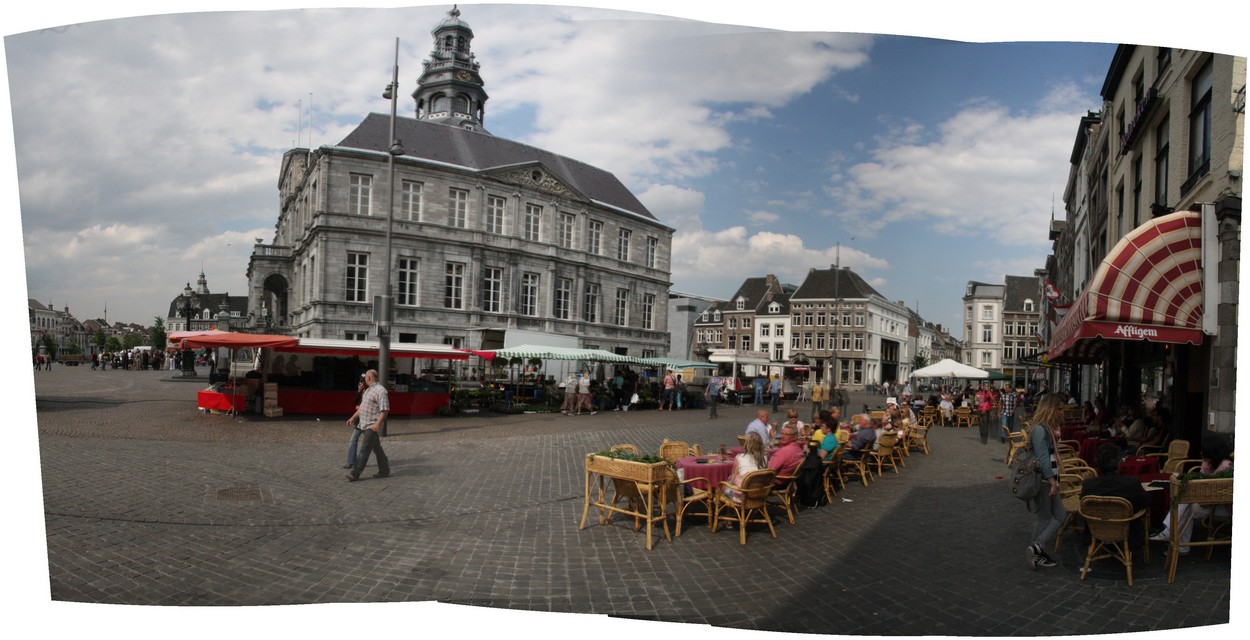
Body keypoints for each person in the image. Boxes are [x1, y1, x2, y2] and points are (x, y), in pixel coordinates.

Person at [1150, 432, 1234, 555]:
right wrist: (1204, 467)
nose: (1201, 454)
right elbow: (1201, 480)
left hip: (1222, 505)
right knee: (1186, 503)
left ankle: (1170, 533)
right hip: (1208, 501)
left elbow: (1210, 489)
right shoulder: (1211, 463)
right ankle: (1180, 544)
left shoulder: (1226, 467)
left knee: (1187, 503)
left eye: (1204, 452)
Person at [1081, 442, 1151, 551]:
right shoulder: (1131, 483)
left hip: (1097, 531)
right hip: (1127, 532)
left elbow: (1083, 507)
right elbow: (1145, 503)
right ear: (1118, 464)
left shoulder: (1088, 485)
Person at [1026, 392, 1066, 569]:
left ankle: (1036, 549)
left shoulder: (1046, 428)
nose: (1062, 413)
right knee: (1045, 517)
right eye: (1059, 409)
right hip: (1044, 480)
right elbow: (1042, 458)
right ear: (1050, 409)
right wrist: (1051, 481)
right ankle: (1037, 550)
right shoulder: (1040, 430)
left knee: (1058, 515)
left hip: (1050, 479)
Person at [346, 369, 390, 481]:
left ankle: (355, 473)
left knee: (364, 450)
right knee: (377, 449)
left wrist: (377, 424)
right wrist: (353, 417)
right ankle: (385, 470)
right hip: (363, 424)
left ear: (369, 378)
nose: (364, 379)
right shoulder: (367, 390)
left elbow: (385, 410)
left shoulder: (381, 391)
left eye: (365, 377)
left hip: (372, 425)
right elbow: (361, 408)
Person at [725, 432, 767, 502]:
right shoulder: (765, 457)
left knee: (725, 485)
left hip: (743, 496)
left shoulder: (740, 458)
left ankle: (716, 503)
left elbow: (733, 479)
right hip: (760, 494)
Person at [343, 375, 367, 469]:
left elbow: (362, 405)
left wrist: (359, 407)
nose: (360, 383)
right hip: (360, 419)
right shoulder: (361, 391)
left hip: (365, 419)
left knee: (373, 444)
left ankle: (351, 462)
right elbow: (355, 402)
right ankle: (351, 461)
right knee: (354, 440)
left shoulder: (368, 391)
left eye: (362, 382)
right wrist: (358, 391)